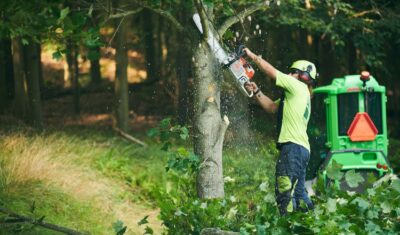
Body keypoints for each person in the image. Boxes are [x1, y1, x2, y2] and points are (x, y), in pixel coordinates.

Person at [243, 47, 316, 215]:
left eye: (292, 72)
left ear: (302, 75)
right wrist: (256, 92)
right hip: (302, 150)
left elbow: (272, 72)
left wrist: (252, 56)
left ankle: (286, 226)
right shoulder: (296, 95)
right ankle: (311, 224)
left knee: (284, 191)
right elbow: (271, 107)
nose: (289, 75)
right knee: (299, 195)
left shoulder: (298, 86)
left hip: (293, 148)